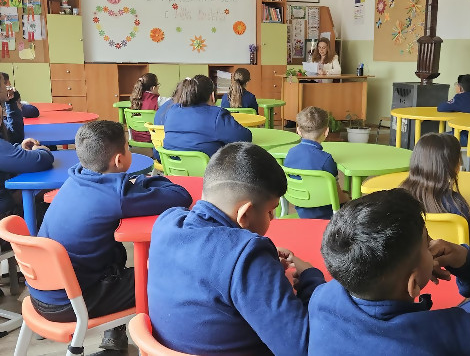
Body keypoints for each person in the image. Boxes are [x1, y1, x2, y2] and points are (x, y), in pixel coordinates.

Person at [148, 142, 326, 355]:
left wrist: (265, 270)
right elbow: (303, 349)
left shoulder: (167, 221)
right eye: (270, 211)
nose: (272, 218)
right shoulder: (247, 255)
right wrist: (310, 278)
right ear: (245, 214)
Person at [308, 189, 470, 355]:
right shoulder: (450, 333)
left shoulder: (321, 299)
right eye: (427, 242)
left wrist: (416, 267)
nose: (434, 244)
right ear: (413, 284)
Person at [32, 120, 192, 351]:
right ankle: (160, 348)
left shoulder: (75, 178)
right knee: (166, 276)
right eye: (128, 147)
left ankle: (116, 340)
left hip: (43, 295)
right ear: (119, 160)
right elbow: (179, 195)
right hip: (75, 302)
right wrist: (144, 179)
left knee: (116, 260)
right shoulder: (115, 195)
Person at [400, 133, 470, 250]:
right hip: (450, 260)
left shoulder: (399, 198)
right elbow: (469, 249)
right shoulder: (457, 204)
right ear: (453, 166)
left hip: (410, 260)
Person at [0, 76, 53, 222]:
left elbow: (13, 137)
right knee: (60, 196)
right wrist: (42, 150)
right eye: (3, 84)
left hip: (8, 198)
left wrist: (18, 148)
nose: (7, 87)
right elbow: (41, 160)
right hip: (6, 214)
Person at [284, 106, 350, 219]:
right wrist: (348, 197)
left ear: (298, 130)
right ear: (326, 132)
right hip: (327, 214)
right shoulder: (326, 159)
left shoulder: (290, 153)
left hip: (301, 211)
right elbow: (337, 196)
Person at [163, 75, 252, 157]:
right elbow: (245, 137)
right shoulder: (216, 115)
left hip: (171, 167)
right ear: (212, 96)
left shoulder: (172, 111)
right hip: (208, 168)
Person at [437, 74, 470, 146]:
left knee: (436, 139)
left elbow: (441, 108)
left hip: (464, 138)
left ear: (460, 87)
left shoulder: (459, 98)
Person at [129, 73, 167, 143]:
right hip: (152, 137)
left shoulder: (134, 99)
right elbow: (175, 100)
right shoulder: (158, 100)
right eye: (158, 85)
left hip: (136, 136)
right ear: (153, 88)